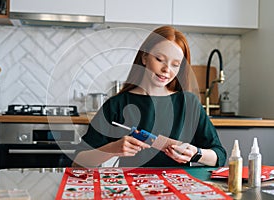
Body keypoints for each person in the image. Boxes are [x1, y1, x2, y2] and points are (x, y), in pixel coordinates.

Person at [73, 25, 227, 168]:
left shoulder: (189, 103)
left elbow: (219, 155)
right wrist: (112, 149)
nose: (167, 69)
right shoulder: (117, 104)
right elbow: (77, 161)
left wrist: (196, 153)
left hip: (178, 190)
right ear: (145, 58)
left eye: (175, 64)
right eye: (159, 59)